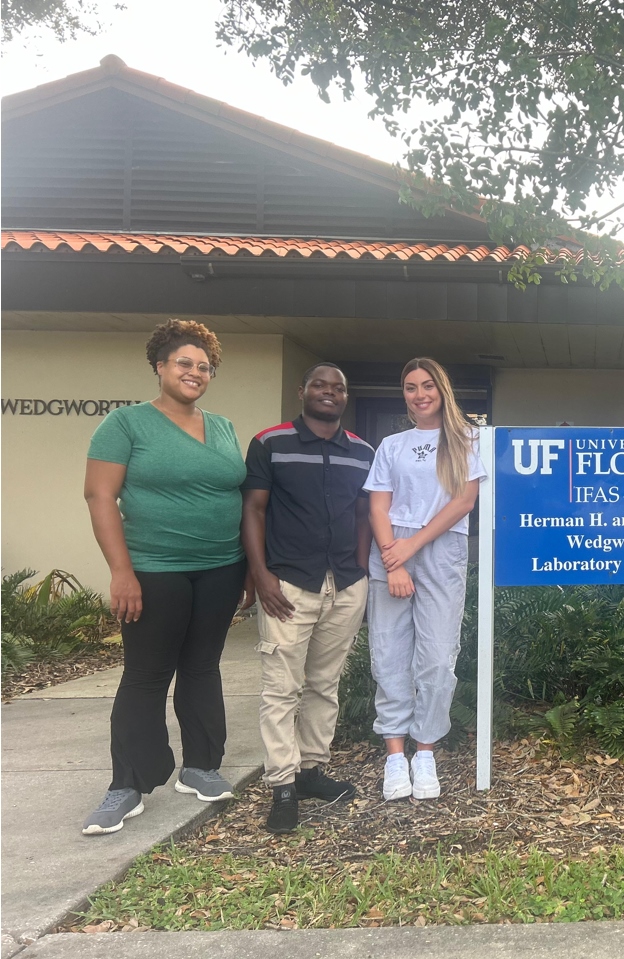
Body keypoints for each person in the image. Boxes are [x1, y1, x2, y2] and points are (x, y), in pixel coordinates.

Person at [81, 319, 248, 835]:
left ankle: (201, 766)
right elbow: (99, 496)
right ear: (160, 366)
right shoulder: (125, 424)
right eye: (184, 363)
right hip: (155, 569)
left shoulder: (221, 426)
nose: (195, 372)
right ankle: (128, 783)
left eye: (204, 366)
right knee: (147, 674)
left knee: (202, 667)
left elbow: (234, 494)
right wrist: (121, 571)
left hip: (222, 566)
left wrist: (243, 567)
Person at [241, 363, 375, 833]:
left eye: (338, 387)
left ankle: (311, 771)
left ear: (345, 397)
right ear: (303, 391)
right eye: (320, 385)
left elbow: (363, 515)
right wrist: (260, 576)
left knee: (323, 684)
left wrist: (357, 573)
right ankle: (281, 785)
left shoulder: (361, 452)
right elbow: (254, 510)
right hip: (288, 585)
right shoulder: (271, 443)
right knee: (281, 688)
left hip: (344, 585)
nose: (329, 393)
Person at [364, 358, 485, 801]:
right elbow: (378, 506)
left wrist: (410, 550)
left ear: (443, 389)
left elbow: (464, 501)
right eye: (411, 387)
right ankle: (395, 755)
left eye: (428, 385)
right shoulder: (391, 445)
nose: (420, 394)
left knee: (437, 657)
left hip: (440, 548)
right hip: (391, 548)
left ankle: (425, 750)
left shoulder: (467, 438)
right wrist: (394, 562)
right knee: (389, 653)